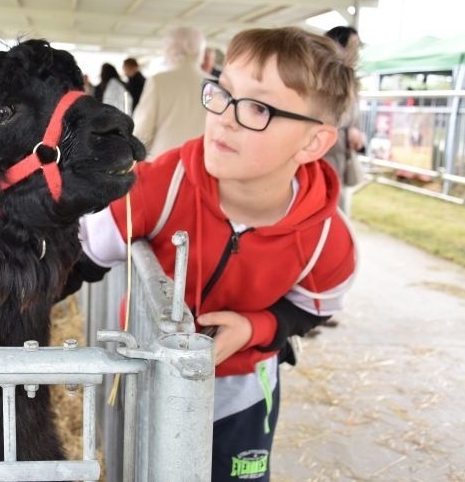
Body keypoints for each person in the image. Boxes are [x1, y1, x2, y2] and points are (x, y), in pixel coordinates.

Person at [69, 26, 358, 481]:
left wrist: (257, 327)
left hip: (243, 396)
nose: (224, 116)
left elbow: (310, 309)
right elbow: (80, 257)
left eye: (258, 107)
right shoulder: (156, 188)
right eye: (223, 93)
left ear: (313, 143)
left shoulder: (327, 239)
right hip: (149, 381)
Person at [132, 26, 207, 160]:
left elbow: (142, 130)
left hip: (163, 162)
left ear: (168, 50)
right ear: (200, 51)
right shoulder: (215, 84)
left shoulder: (158, 81)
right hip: (201, 163)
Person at [323, 25, 367, 212]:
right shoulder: (325, 78)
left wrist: (356, 134)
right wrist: (347, 131)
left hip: (339, 154)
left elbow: (354, 116)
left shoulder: (350, 80)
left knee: (337, 204)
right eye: (354, 45)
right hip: (326, 154)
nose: (357, 51)